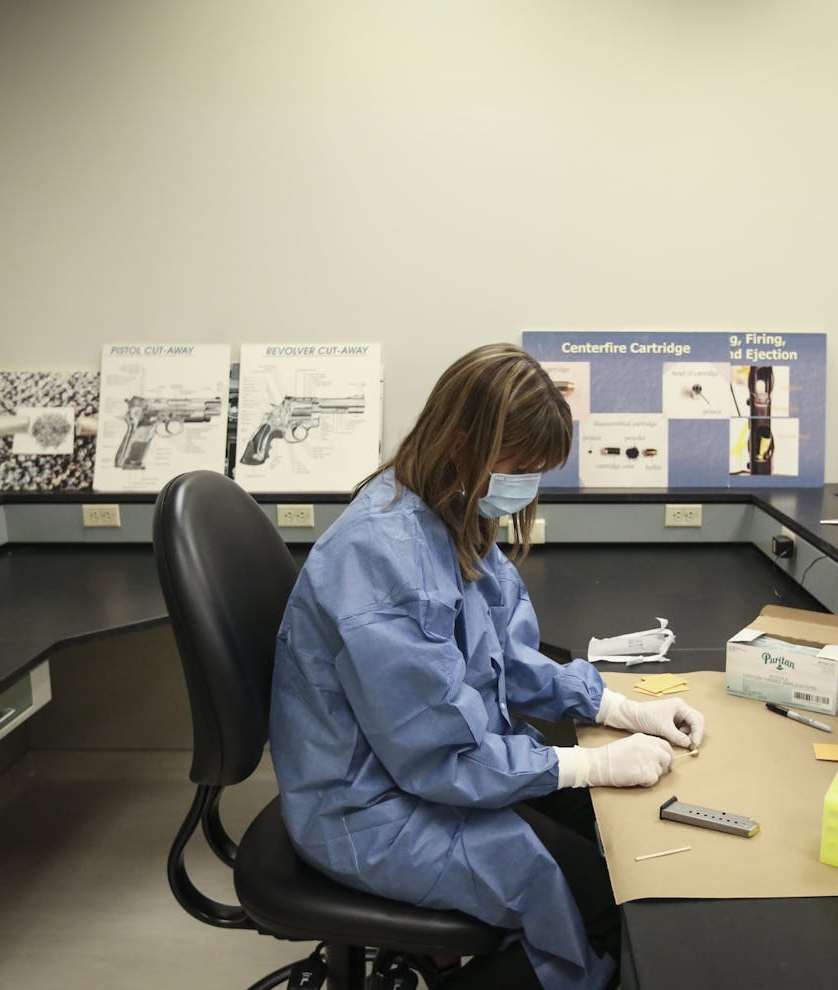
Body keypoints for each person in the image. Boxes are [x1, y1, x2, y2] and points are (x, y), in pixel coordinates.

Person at [269, 343, 706, 990]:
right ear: (463, 442)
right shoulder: (388, 561)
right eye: (522, 466)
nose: (527, 484)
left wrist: (615, 706)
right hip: (367, 806)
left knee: (608, 847)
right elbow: (438, 758)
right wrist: (588, 763)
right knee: (589, 903)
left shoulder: (445, 513)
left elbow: (503, 655)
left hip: (420, 772)